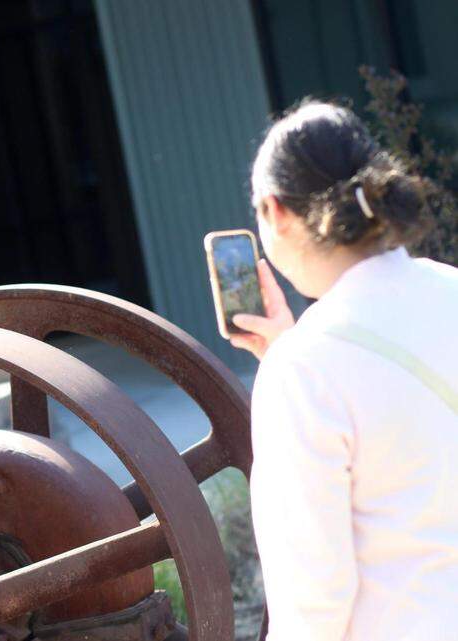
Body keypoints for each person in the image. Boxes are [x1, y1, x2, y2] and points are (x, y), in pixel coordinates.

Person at [231, 101, 457, 640]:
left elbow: (313, 601)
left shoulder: (304, 369)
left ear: (274, 212)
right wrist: (289, 350)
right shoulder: (449, 290)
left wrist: (291, 359)